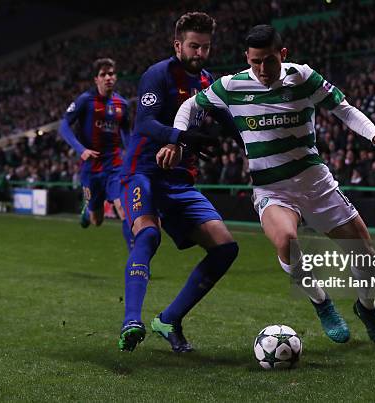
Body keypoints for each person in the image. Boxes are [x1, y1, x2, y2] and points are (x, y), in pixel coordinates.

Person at [173, 25, 375, 343]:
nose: (262, 70)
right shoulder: (231, 86)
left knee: (366, 259)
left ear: (282, 54)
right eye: (255, 62)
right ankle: (322, 303)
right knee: (286, 241)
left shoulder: (303, 77)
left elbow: (343, 109)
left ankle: (367, 307)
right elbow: (190, 105)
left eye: (269, 61)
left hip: (317, 185)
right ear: (247, 57)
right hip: (273, 189)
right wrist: (178, 136)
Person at [118, 12, 239, 353]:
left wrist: (250, 142)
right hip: (142, 172)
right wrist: (181, 136)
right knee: (149, 235)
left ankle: (169, 318)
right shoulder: (158, 75)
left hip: (180, 181)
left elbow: (224, 119)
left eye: (205, 47)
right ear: (178, 45)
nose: (200, 53)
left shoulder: (206, 81)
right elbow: (144, 123)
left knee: (225, 248)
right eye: (193, 46)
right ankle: (131, 320)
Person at [58, 58, 133, 251]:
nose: (108, 77)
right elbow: (64, 125)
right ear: (96, 79)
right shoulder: (85, 100)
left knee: (124, 210)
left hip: (115, 166)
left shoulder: (122, 104)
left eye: (111, 74)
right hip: (90, 170)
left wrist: (132, 153)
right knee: (96, 220)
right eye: (103, 74)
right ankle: (87, 210)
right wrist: (81, 150)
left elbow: (126, 132)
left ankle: (137, 259)